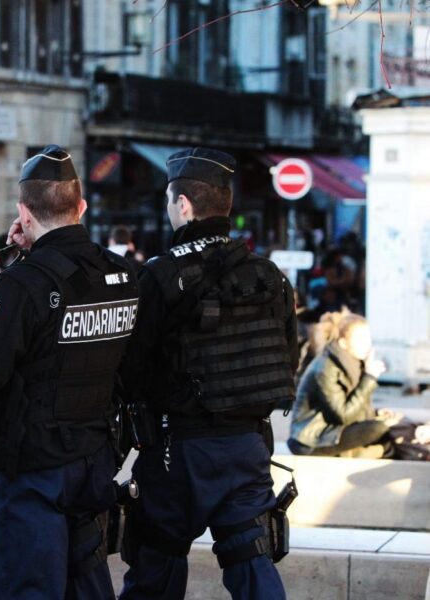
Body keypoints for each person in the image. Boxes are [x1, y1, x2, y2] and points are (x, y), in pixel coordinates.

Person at [0, 145, 140, 599]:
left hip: (33, 473)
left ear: (23, 214)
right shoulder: (123, 275)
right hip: (93, 466)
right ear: (81, 206)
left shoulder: (21, 284)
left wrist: (18, 262)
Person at [118, 147, 298, 600]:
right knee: (253, 563)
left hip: (177, 450)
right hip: (247, 448)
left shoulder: (160, 276)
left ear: (183, 205)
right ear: (227, 205)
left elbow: (131, 369)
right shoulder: (269, 275)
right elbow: (287, 357)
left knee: (155, 568)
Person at [288, 311, 395, 458]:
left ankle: (368, 454)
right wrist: (369, 378)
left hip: (332, 431)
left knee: (390, 427)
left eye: (368, 338)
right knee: (378, 430)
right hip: (310, 441)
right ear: (343, 343)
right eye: (361, 340)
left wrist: (376, 413)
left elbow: (352, 405)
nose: (367, 345)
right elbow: (343, 415)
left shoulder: (353, 363)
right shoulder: (326, 369)